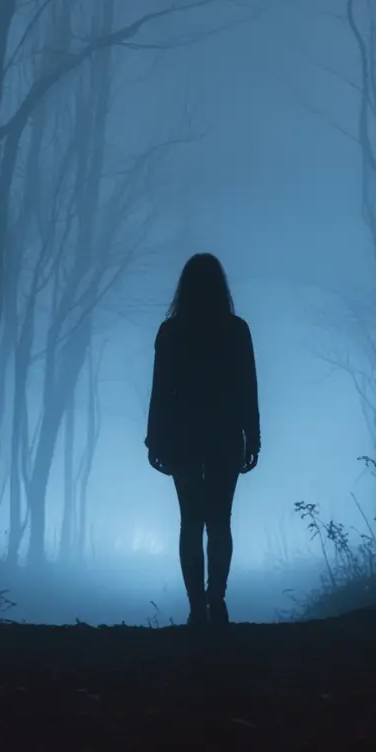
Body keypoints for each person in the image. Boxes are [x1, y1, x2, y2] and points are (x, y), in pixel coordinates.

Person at [145, 253, 260, 626]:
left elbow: (160, 388)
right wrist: (253, 435)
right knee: (220, 521)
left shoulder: (172, 332)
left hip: (183, 436)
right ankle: (217, 599)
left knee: (191, 521)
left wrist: (155, 438)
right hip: (225, 434)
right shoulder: (236, 330)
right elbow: (248, 387)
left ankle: (197, 605)